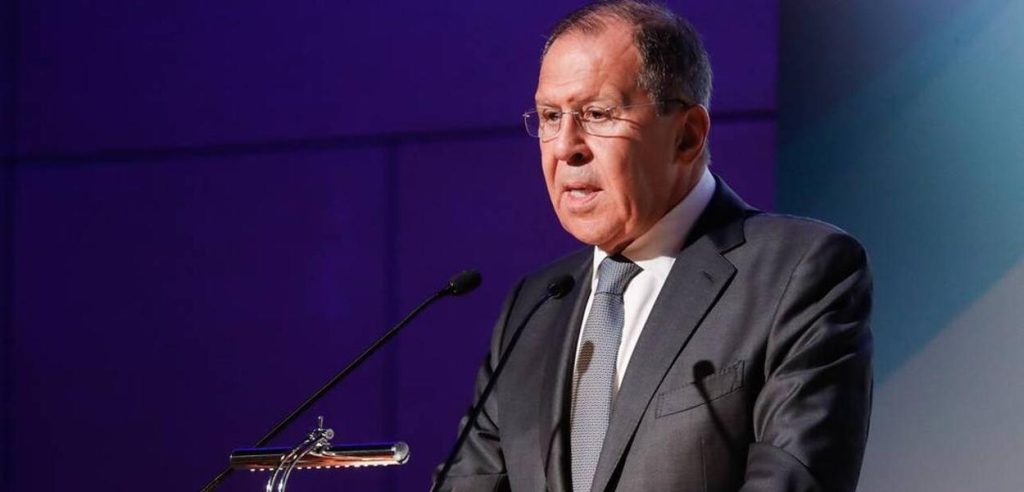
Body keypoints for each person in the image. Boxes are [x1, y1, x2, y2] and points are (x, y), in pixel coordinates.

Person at [437, 2, 872, 491]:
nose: (564, 146)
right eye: (550, 116)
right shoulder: (533, 308)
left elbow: (794, 480)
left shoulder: (797, 273)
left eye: (597, 114)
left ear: (687, 136)